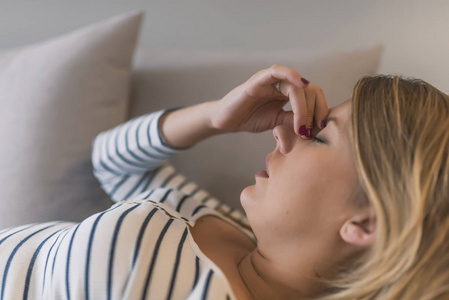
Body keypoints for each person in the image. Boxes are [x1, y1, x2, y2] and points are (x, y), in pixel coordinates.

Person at [0, 64, 448, 300]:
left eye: (321, 136)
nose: (285, 129)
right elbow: (112, 163)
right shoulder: (226, 222)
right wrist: (216, 117)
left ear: (367, 223)